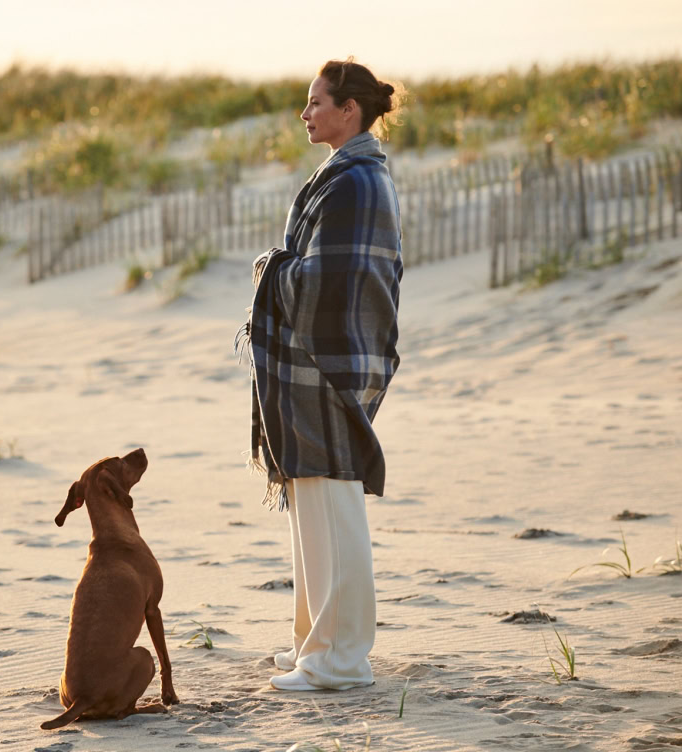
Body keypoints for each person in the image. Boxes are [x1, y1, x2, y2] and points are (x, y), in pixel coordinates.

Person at [238, 59, 403, 691]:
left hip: (333, 360)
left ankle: (341, 660)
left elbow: (330, 280)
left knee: (334, 503)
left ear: (348, 110)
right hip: (316, 358)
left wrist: (268, 267)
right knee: (311, 498)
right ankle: (314, 645)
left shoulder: (358, 181)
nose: (305, 114)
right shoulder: (346, 173)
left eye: (314, 102)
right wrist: (283, 267)